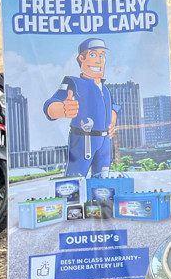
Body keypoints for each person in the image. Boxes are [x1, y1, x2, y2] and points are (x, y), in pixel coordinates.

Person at [43, 38, 120, 177]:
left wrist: (112, 118)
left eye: (101, 55)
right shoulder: (73, 83)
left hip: (104, 144)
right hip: (83, 141)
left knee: (102, 183)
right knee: (74, 182)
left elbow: (113, 106)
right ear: (82, 58)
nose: (99, 60)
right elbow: (52, 103)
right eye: (93, 55)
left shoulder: (106, 89)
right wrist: (60, 109)